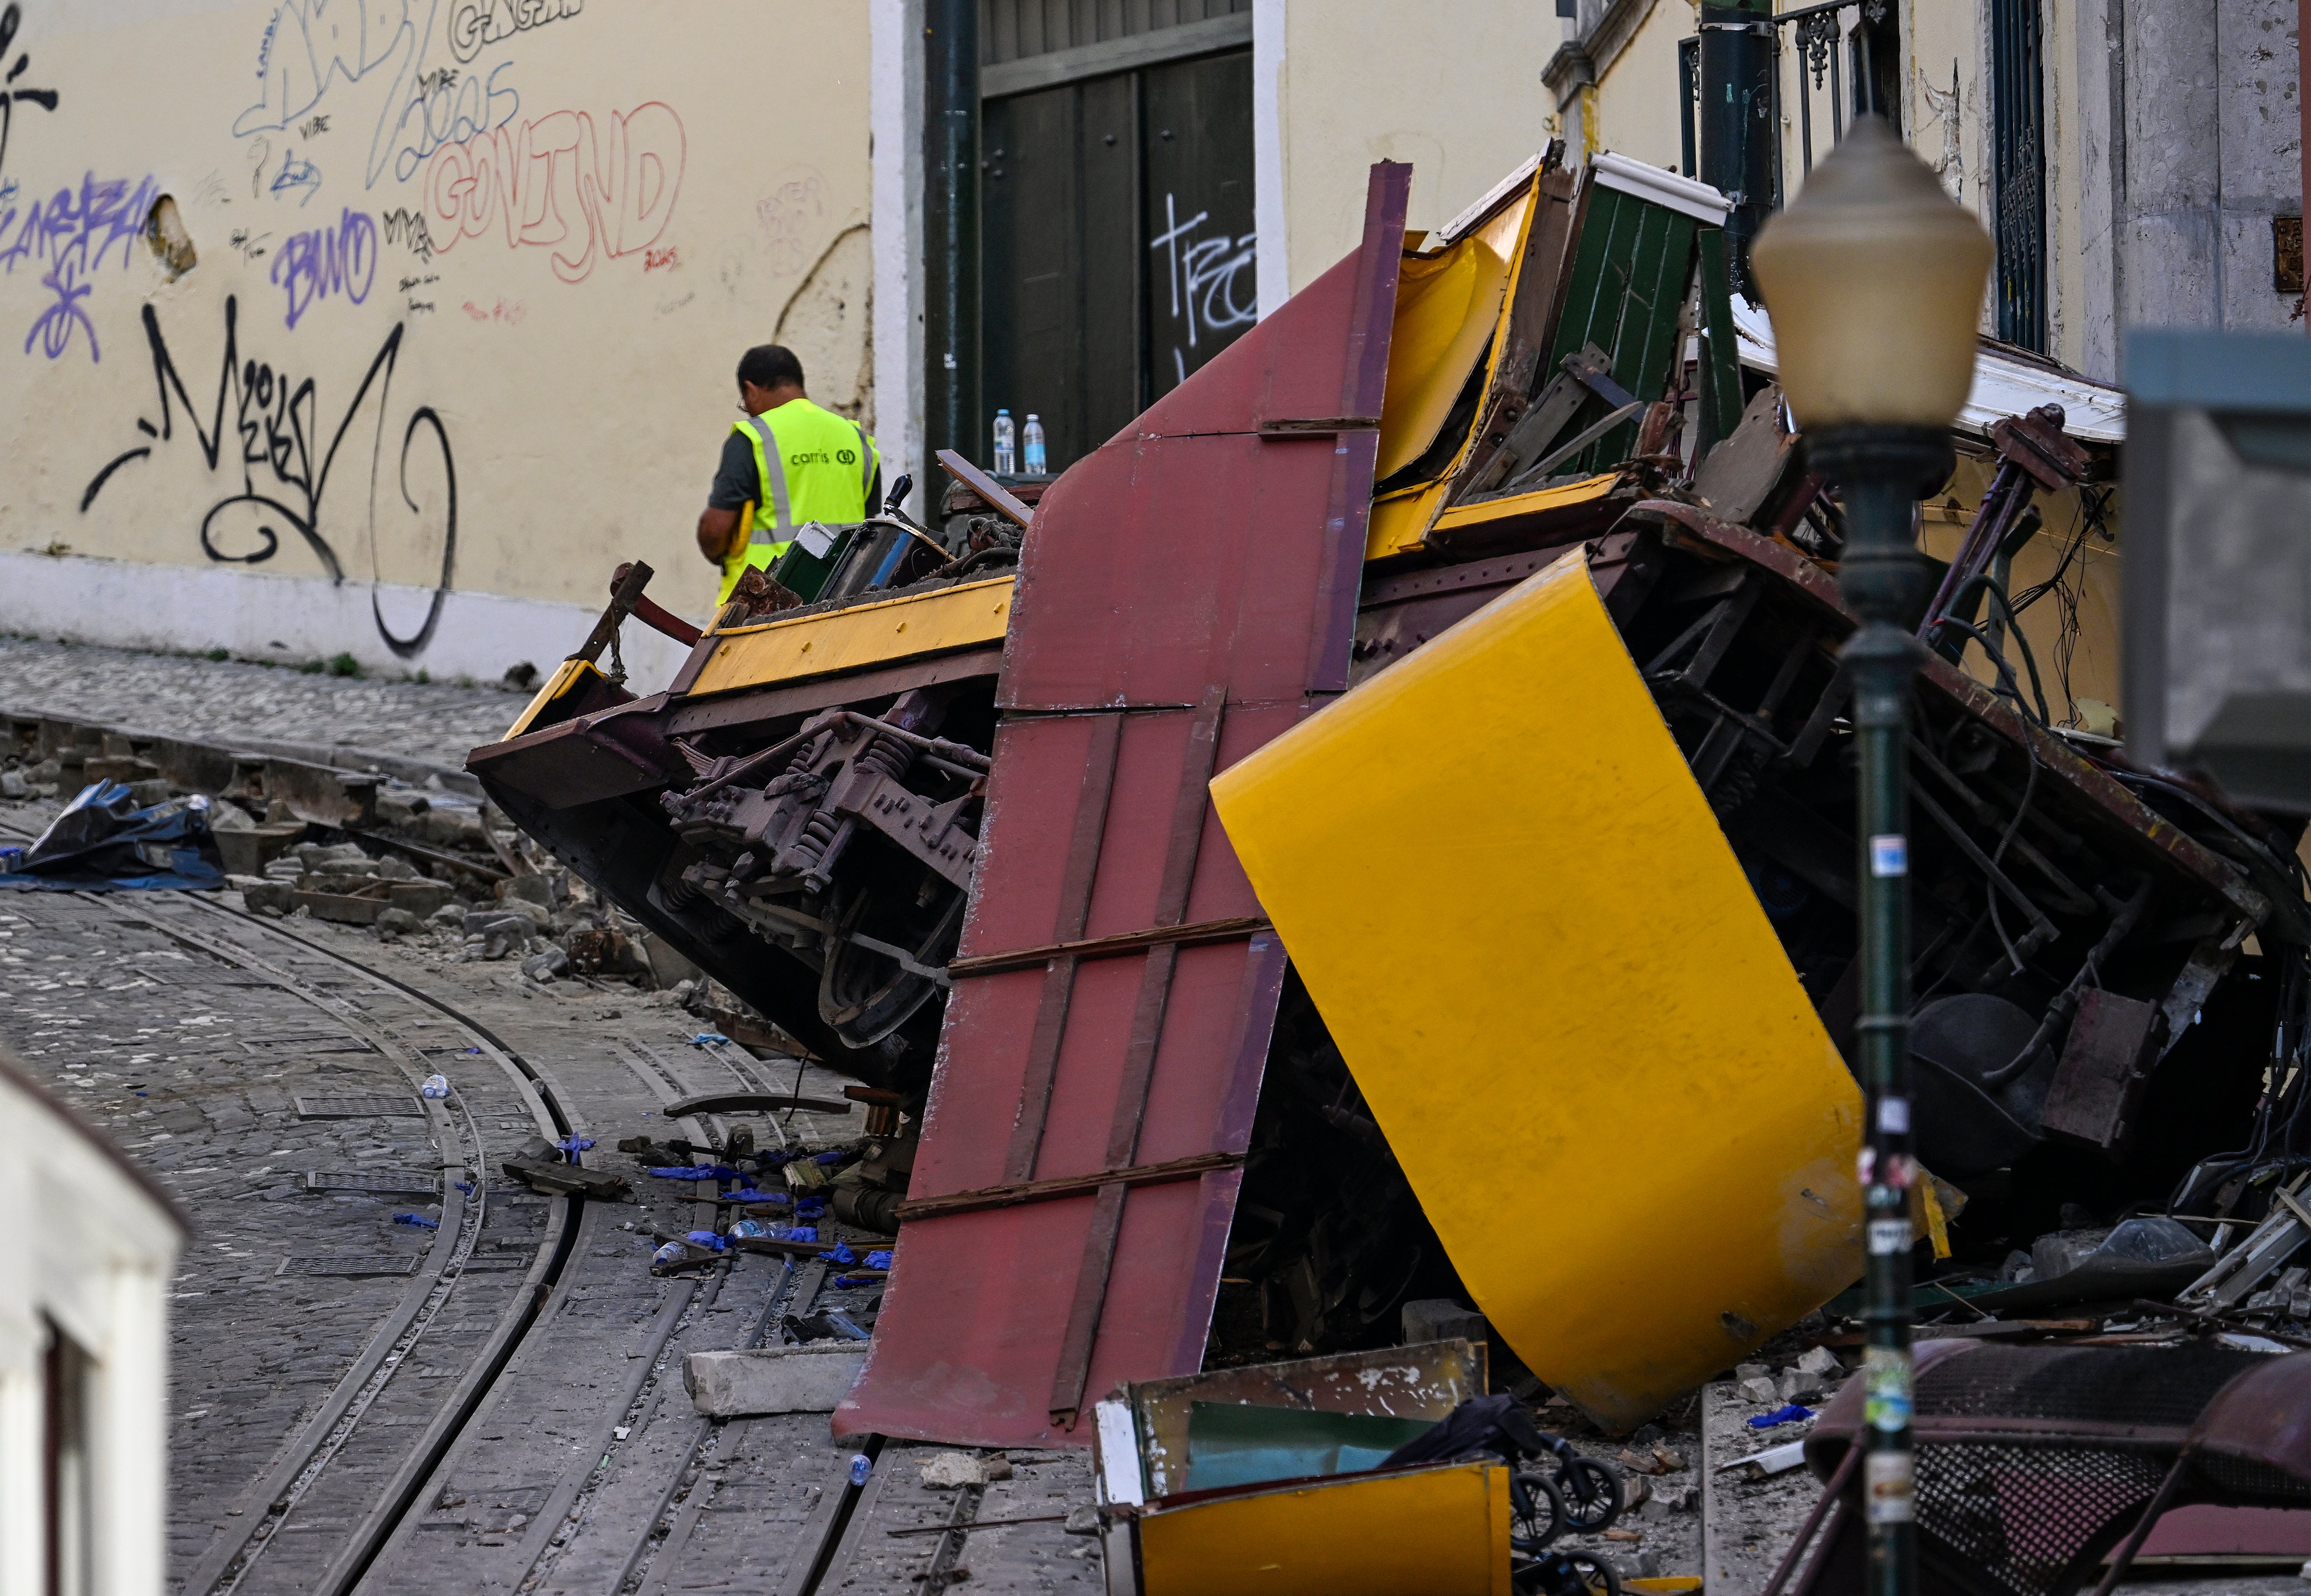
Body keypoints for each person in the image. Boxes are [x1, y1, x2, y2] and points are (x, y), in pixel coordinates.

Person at [697, 345, 881, 605]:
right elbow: (870, 525)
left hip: (765, 602)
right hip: (842, 598)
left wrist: (714, 549)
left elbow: (716, 530)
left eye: (745, 402)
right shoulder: (857, 439)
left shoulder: (754, 438)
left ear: (751, 389)